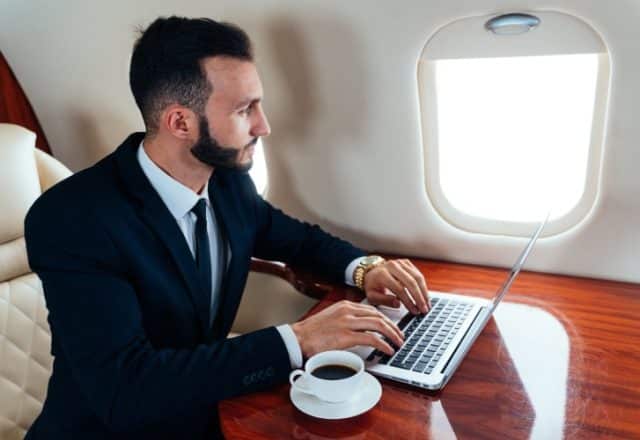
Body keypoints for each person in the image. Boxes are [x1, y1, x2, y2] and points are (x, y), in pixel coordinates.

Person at [24, 16, 430, 439]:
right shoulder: (74, 219)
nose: (264, 126)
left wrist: (366, 269)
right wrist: (298, 340)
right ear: (180, 123)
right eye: (244, 110)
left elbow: (297, 239)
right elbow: (126, 389)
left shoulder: (228, 182)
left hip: (203, 404)